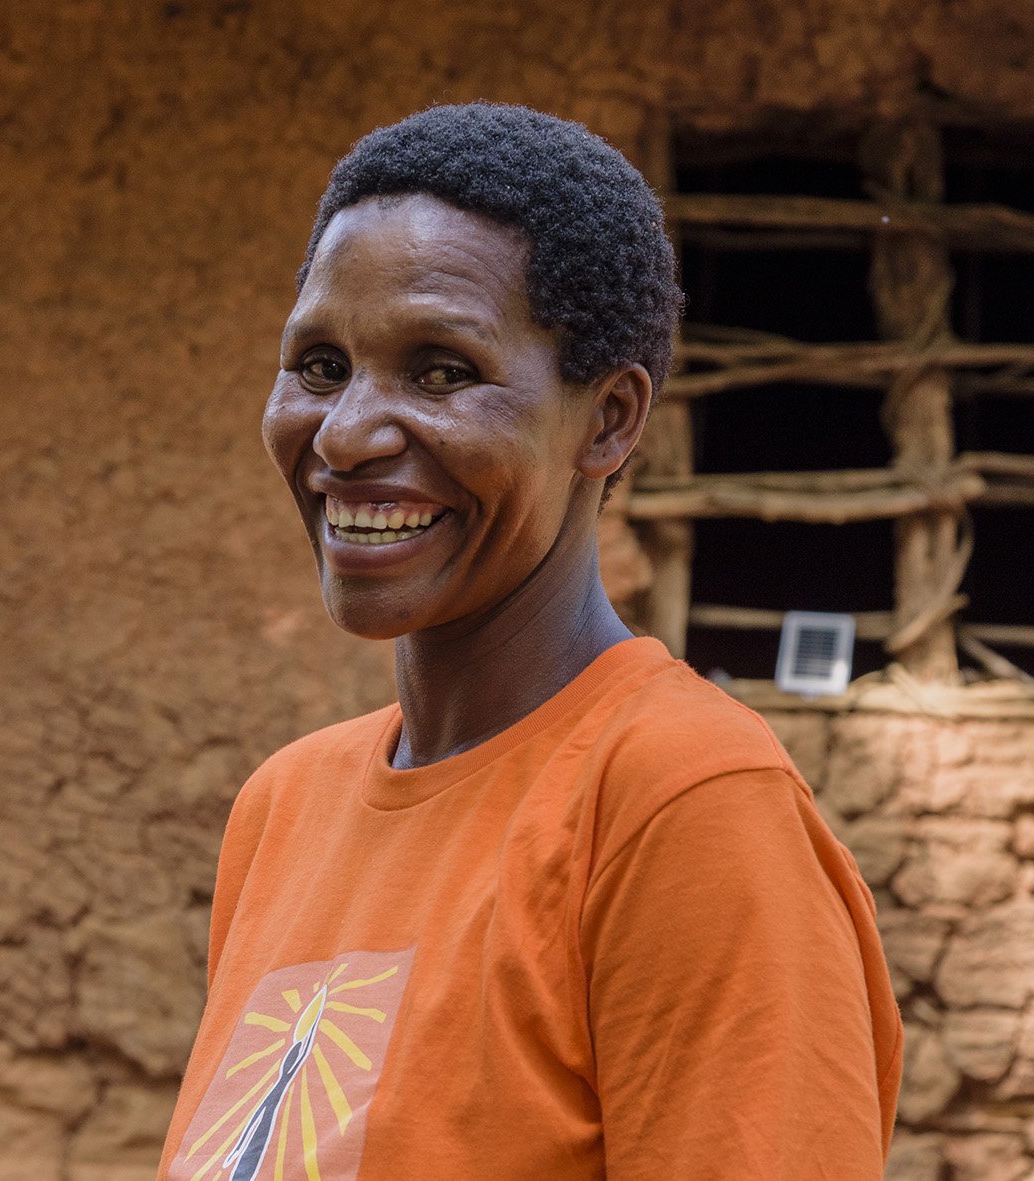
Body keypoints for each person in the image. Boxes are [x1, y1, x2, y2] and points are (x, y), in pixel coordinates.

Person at [159, 103, 902, 1180]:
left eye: (442, 370)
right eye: (320, 364)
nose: (347, 432)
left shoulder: (679, 803)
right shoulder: (284, 807)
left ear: (608, 420)